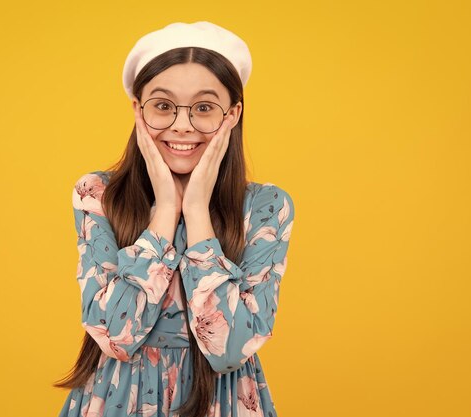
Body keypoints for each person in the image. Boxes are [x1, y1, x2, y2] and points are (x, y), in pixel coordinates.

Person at [54, 21, 295, 417]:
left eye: (203, 108)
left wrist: (197, 212)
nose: (182, 125)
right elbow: (115, 335)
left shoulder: (267, 207)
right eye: (163, 106)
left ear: (232, 114)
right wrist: (165, 211)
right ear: (138, 109)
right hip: (118, 399)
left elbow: (229, 349)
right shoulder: (97, 195)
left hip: (223, 402)